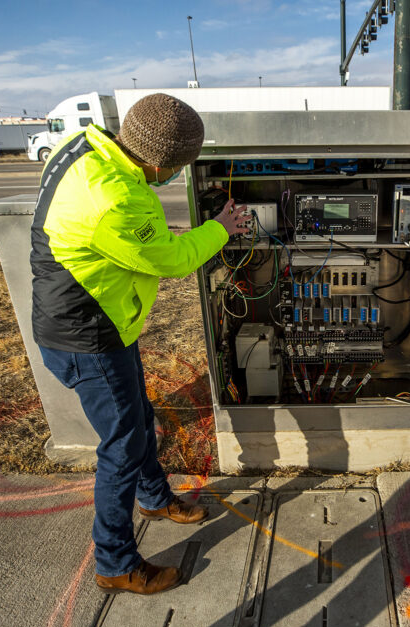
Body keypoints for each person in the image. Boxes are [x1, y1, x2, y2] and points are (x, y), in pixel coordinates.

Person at [30, 94, 248, 595]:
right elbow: (171, 258)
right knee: (122, 446)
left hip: (93, 321)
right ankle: (115, 563)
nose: (172, 176)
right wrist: (221, 229)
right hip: (89, 335)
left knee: (137, 417)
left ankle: (154, 497)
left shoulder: (83, 146)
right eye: (174, 169)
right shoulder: (116, 200)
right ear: (156, 163)